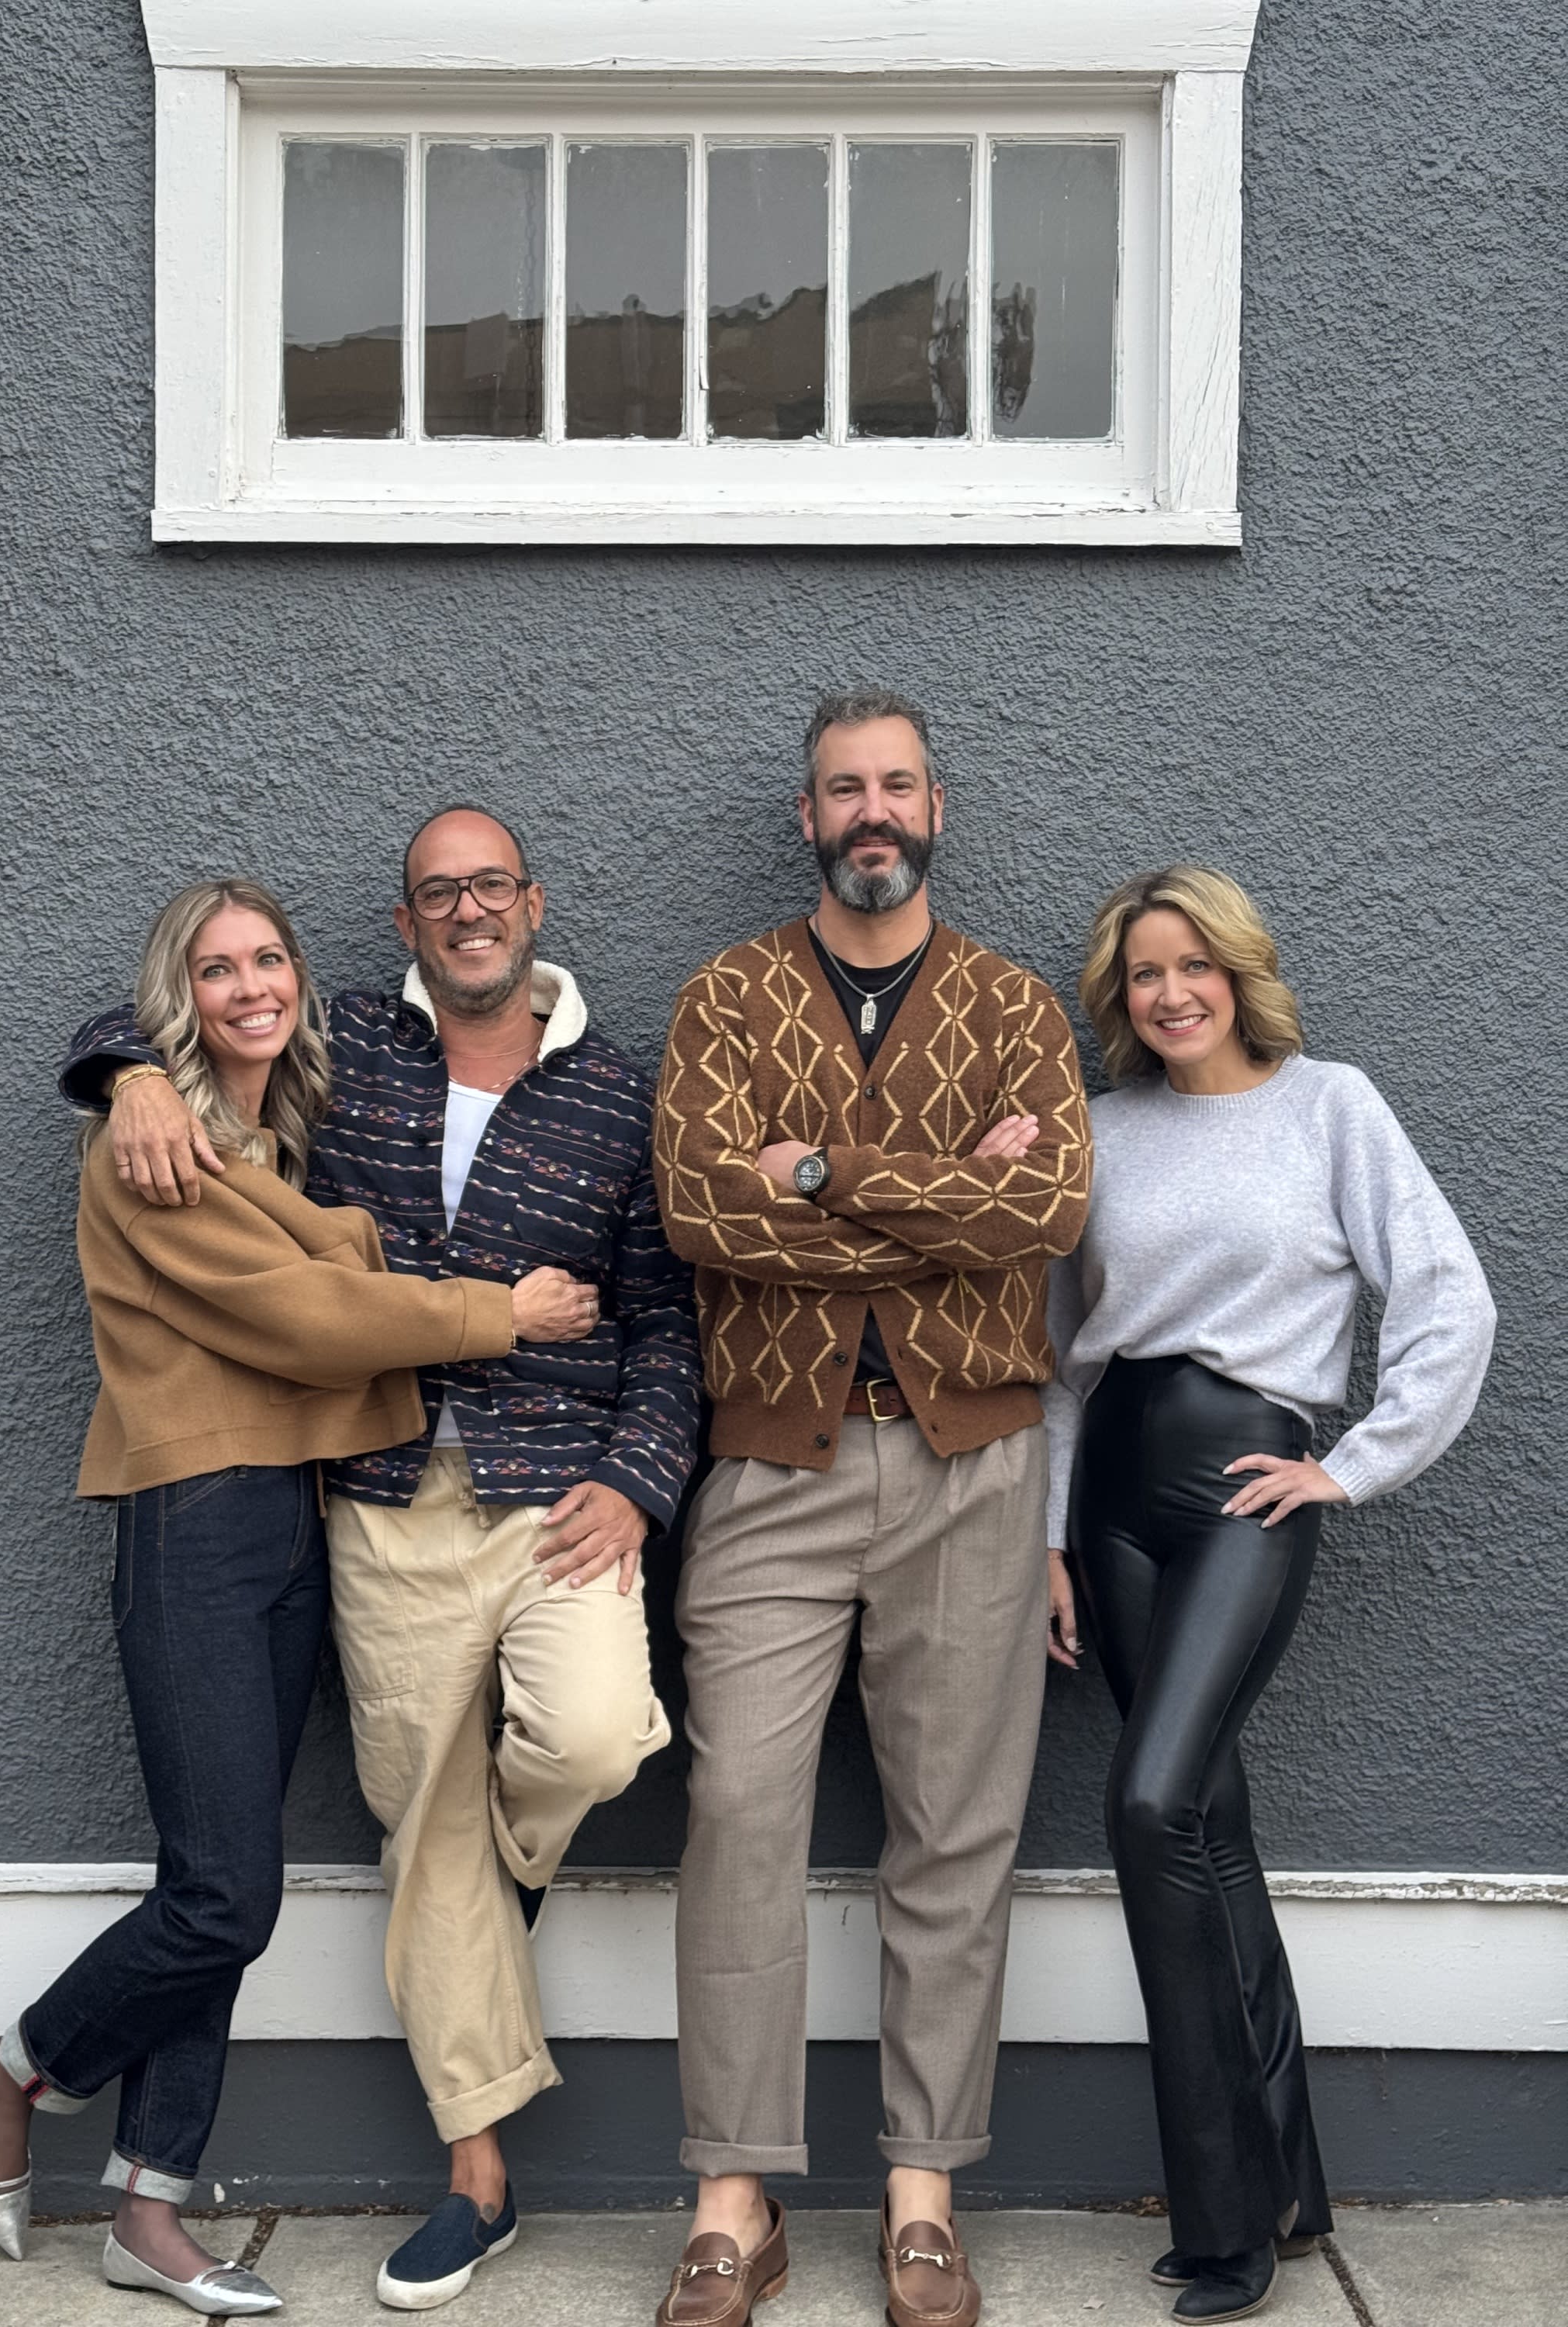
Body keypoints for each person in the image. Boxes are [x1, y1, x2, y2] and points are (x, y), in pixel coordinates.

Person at [61, 811, 700, 2311]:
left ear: (532, 904)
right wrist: (128, 1076)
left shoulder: (623, 1092)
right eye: (438, 893)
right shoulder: (342, 1044)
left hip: (557, 1494)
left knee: (590, 1741)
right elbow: (160, 1018)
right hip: (381, 1498)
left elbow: (670, 1322)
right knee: (424, 1827)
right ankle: (479, 2182)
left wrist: (638, 1482)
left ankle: (469, 1867)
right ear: (406, 924)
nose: (468, 911)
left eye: (491, 886)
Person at [0, 879, 595, 2315]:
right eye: (215, 969)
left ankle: (149, 2208)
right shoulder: (155, 1146)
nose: (251, 988)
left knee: (222, 1884)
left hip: (297, 1515)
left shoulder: (271, 1132)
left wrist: (136, 1076)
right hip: (194, 1520)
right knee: (223, 1897)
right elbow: (309, 1317)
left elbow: (321, 1269)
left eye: (269, 961)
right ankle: (16, 2066)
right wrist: (499, 1313)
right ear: (173, 998)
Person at [651, 690, 1092, 2327]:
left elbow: (1045, 1209)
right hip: (777, 1460)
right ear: (808, 817)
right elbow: (703, 1210)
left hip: (973, 1463)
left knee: (955, 1831)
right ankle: (734, 2198)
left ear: (936, 808)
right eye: (844, 788)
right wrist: (943, 1192)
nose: (872, 812)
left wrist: (821, 1172)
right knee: (738, 1815)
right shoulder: (728, 995)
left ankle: (922, 2198)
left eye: (896, 784)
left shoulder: (1011, 1002)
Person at [1043, 865, 1495, 2325]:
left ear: (1239, 974)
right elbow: (1059, 1358)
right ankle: (1287, 2187)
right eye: (1143, 975)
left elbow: (1448, 1294)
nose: (1170, 994)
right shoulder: (1101, 1131)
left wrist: (1351, 1468)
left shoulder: (1329, 1108)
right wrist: (1048, 1535)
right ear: (1119, 999)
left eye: (1194, 966)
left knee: (1148, 1804)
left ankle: (1222, 2221)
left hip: (1241, 1488)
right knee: (1210, 1834)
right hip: (1111, 1496)